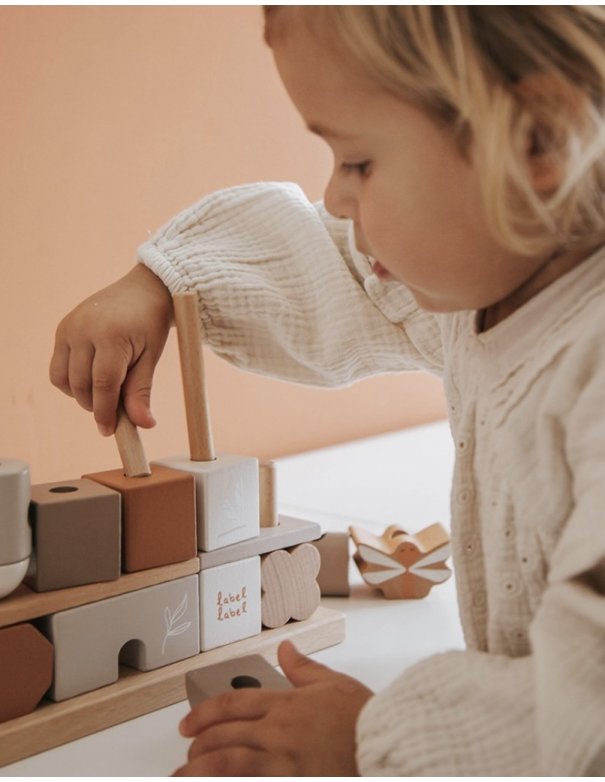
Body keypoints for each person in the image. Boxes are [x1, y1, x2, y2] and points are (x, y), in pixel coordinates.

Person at [49, 6, 605, 776]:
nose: (337, 198)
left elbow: (588, 717)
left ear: (536, 142)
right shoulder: (493, 278)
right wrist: (161, 280)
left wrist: (377, 739)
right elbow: (332, 263)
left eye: (357, 163)